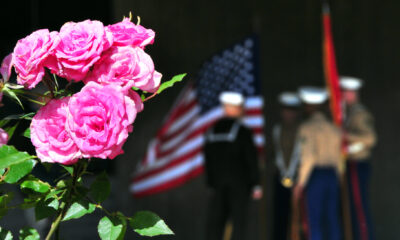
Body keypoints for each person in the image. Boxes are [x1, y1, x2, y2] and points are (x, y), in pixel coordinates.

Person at [204, 91, 262, 240]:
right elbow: (251, 159)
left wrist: (210, 183)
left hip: (217, 186)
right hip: (239, 186)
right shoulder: (243, 132)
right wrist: (256, 183)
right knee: (239, 224)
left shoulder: (211, 131)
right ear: (235, 108)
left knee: (216, 224)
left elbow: (208, 159)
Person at [293, 87, 343, 240]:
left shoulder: (306, 128)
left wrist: (300, 182)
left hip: (315, 176)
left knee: (314, 221)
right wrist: (340, 177)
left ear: (309, 106)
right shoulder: (334, 128)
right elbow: (339, 157)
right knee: (332, 220)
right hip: (332, 175)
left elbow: (308, 157)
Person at [340, 76, 377, 240]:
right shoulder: (348, 112)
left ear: (353, 93)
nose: (343, 95)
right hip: (349, 163)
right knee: (352, 209)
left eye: (346, 92)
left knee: (359, 207)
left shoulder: (359, 113)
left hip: (357, 163)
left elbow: (370, 139)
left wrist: (347, 137)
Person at [271, 92, 302, 240]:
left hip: (299, 179)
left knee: (300, 219)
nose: (289, 114)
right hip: (280, 178)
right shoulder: (276, 130)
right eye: (286, 110)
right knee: (280, 217)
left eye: (292, 110)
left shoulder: (302, 130)